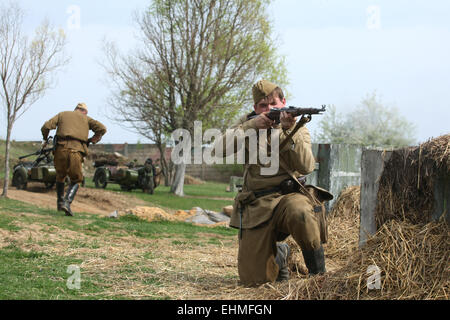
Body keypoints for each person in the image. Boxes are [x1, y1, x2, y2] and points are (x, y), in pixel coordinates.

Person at [216, 80, 333, 286]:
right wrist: (252, 125)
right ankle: (280, 254)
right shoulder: (248, 123)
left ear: (284, 103)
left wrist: (288, 131)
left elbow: (306, 166)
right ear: (255, 109)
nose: (269, 109)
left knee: (301, 212)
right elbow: (217, 150)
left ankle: (318, 277)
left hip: (287, 199)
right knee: (254, 282)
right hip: (256, 205)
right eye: (263, 106)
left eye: (273, 104)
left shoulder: (297, 126)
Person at [41, 103, 107, 216]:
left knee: (60, 176)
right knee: (76, 179)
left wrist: (45, 139)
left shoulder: (62, 114)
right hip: (76, 151)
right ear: (84, 111)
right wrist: (93, 139)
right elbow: (102, 128)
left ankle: (59, 203)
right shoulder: (87, 119)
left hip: (60, 150)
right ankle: (67, 202)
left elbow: (46, 126)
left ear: (75, 109)